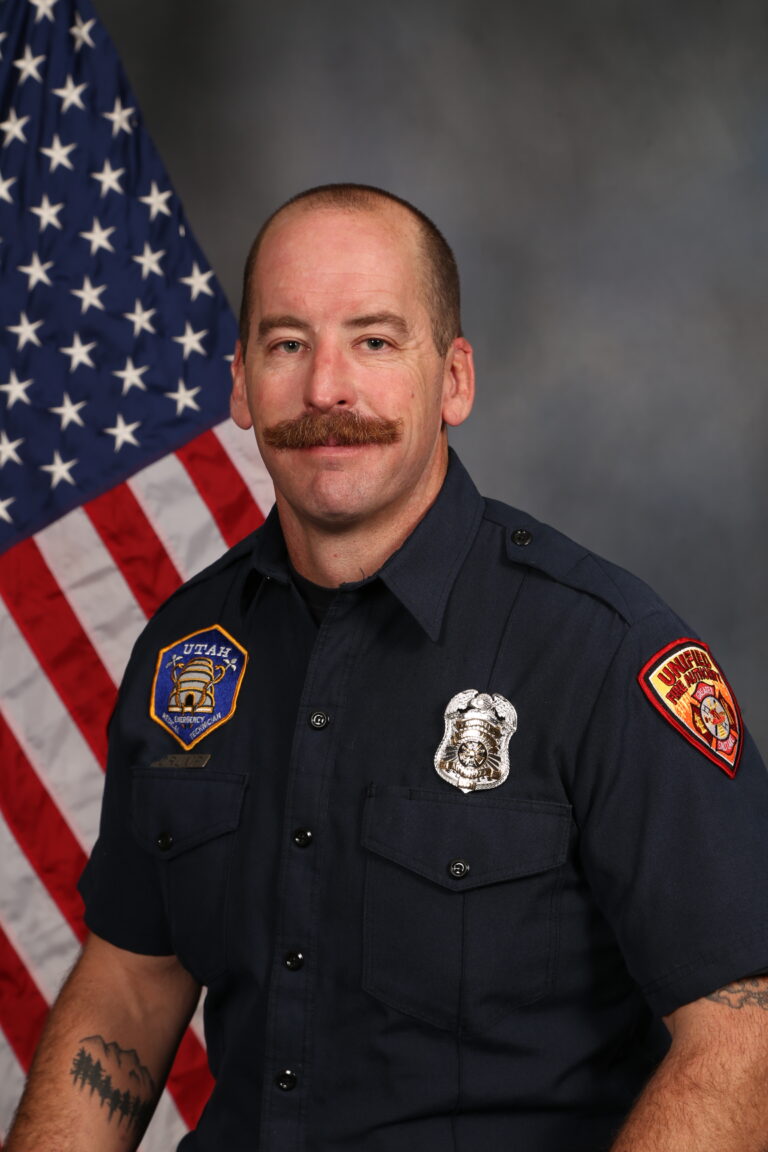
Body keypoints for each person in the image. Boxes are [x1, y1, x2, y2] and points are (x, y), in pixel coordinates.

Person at [8, 184, 768, 1152]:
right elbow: (128, 986)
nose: (326, 388)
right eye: (288, 343)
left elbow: (745, 1035)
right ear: (240, 384)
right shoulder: (186, 653)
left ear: (453, 380)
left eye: (373, 341)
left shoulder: (603, 653)